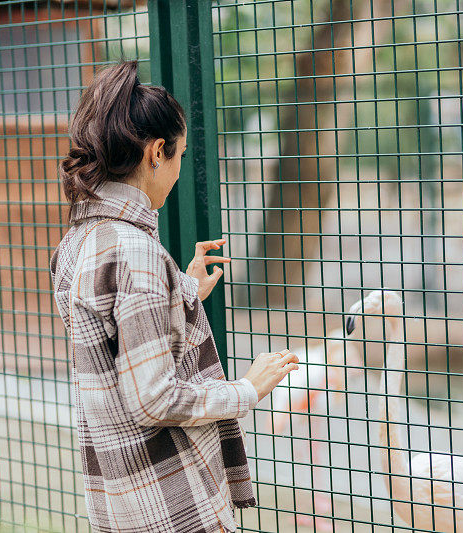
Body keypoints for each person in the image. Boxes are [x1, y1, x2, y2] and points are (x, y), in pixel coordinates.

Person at [50, 60, 299, 532]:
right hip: (171, 501)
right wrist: (247, 389)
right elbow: (153, 399)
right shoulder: (133, 251)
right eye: (180, 156)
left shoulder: (79, 240)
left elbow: (107, 335)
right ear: (156, 152)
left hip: (120, 495)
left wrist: (181, 289)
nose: (179, 170)